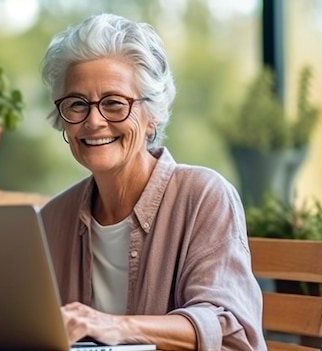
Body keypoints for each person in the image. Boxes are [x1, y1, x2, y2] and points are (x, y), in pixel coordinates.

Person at [38, 13, 266, 351]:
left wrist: (114, 326)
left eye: (115, 103)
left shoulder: (204, 196)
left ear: (152, 115)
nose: (94, 121)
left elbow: (231, 331)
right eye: (77, 104)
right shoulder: (52, 218)